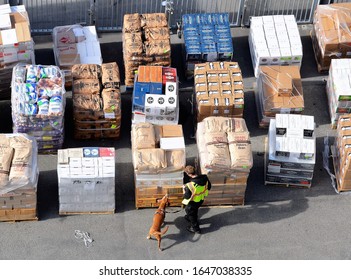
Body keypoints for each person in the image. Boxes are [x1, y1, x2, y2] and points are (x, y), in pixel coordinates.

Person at [182, 165, 211, 234]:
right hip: (201, 199)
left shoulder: (190, 185)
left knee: (192, 214)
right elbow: (209, 187)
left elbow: (186, 197)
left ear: (188, 174)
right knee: (194, 211)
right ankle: (189, 217)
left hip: (193, 202)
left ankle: (195, 228)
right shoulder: (205, 178)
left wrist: (184, 189)